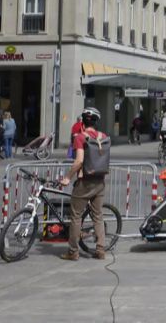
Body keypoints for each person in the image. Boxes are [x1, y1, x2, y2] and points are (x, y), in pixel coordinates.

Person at [60, 107, 108, 260]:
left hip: (85, 182)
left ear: (83, 121)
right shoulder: (104, 136)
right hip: (100, 181)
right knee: (98, 216)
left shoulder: (81, 137)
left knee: (76, 217)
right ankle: (100, 249)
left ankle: (73, 252)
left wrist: (67, 177)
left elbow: (79, 161)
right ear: (96, 121)